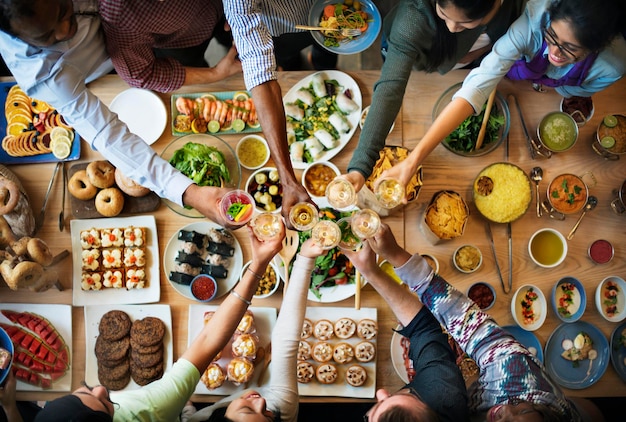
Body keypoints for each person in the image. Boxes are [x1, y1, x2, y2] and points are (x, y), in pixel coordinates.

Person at [2, 225, 283, 422]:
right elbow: (208, 341)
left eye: (85, 389)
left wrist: (10, 408)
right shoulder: (147, 411)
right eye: (106, 405)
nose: (103, 388)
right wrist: (257, 266)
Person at [0, 0, 236, 227]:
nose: (65, 30)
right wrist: (189, 193)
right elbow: (108, 135)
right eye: (46, 36)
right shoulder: (42, 73)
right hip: (107, 69)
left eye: (63, 9)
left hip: (156, 27)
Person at [345, 223, 605, 422]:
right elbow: (465, 320)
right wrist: (391, 258)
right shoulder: (514, 377)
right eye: (523, 408)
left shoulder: (447, 398)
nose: (503, 409)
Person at [377, 0, 626, 197]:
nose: (555, 52)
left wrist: (547, 85)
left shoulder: (611, 68)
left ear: (595, 48)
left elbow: (573, 91)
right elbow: (480, 81)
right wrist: (413, 160)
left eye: (570, 48)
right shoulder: (534, 19)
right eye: (551, 37)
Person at [344, 0, 527, 193]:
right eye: (444, 14)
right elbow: (390, 89)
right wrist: (360, 167)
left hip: (465, 64)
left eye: (465, 23)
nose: (452, 28)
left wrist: (477, 53)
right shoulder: (411, 19)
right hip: (421, 61)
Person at [224, 1, 336, 227]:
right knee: (285, 58)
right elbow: (260, 73)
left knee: (329, 49)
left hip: (330, 8)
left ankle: (321, 59)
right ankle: (294, 63)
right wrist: (287, 180)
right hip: (280, 27)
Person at [187, 238, 324, 422]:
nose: (262, 403)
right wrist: (305, 260)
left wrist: (186, 410)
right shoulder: (282, 411)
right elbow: (285, 342)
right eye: (268, 417)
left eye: (247, 410)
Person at [98, 0, 242, 93]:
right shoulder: (118, 11)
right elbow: (141, 74)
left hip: (230, 9)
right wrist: (216, 73)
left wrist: (239, 6)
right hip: (185, 42)